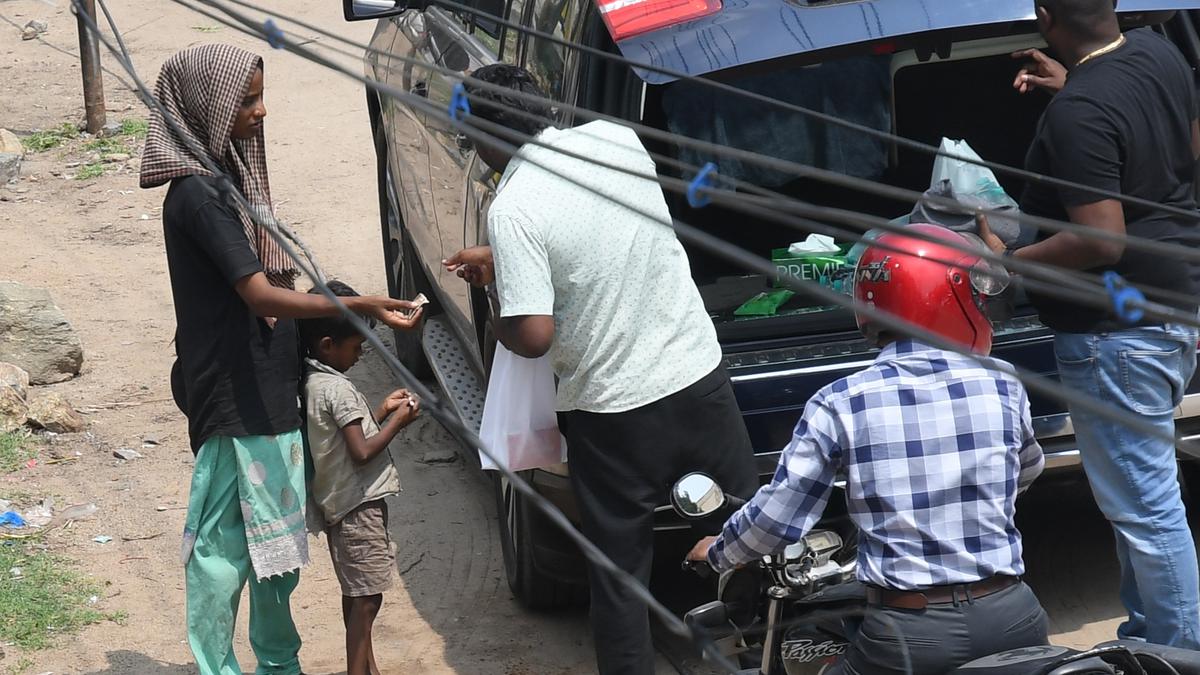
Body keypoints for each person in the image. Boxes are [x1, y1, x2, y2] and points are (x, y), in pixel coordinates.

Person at [443, 64, 758, 675]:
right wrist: (506, 260)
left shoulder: (513, 207)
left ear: (485, 138)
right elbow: (601, 236)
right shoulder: (616, 139)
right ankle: (758, 656)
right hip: (697, 376)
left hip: (613, 414)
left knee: (620, 576)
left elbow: (533, 337)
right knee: (746, 535)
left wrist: (498, 295)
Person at [140, 44, 423, 675]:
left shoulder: (231, 179)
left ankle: (277, 664)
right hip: (233, 402)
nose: (261, 112)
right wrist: (368, 303)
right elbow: (262, 293)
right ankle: (218, 666)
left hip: (269, 397)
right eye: (245, 101)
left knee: (276, 555)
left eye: (261, 96)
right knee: (221, 555)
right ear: (205, 109)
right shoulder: (198, 195)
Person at [688, 225, 1049, 674]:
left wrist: (720, 551)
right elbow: (1027, 468)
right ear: (949, 297)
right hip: (1015, 617)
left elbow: (779, 517)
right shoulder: (1003, 383)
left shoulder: (840, 401)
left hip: (910, 634)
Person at [981, 0, 1200, 648]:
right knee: (1142, 502)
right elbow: (1186, 150)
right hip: (1171, 312)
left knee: (1146, 509)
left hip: (1117, 338)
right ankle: (1149, 635)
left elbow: (1101, 240)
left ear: (1047, 17)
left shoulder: (1079, 112)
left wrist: (1008, 260)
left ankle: (1178, 650)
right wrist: (1079, 85)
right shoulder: (1159, 53)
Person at [299, 281, 419, 675]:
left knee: (356, 594)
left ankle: (367, 668)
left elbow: (343, 440)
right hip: (359, 504)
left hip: (339, 504)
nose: (361, 353)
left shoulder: (313, 382)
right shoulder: (339, 389)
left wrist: (381, 411)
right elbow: (362, 451)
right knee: (368, 599)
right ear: (327, 345)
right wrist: (398, 421)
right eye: (356, 346)